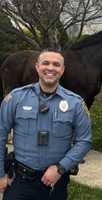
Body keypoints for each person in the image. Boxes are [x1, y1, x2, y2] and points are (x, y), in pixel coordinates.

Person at [0, 49, 92, 200]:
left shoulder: (75, 103)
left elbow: (84, 141)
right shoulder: (16, 98)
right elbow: (1, 135)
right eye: (45, 63)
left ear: (62, 70)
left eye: (56, 64)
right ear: (37, 67)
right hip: (20, 181)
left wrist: (61, 168)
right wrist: (1, 174)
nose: (50, 68)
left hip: (56, 183)